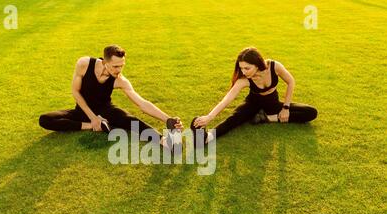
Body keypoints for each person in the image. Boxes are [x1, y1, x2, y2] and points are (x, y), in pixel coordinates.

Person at [39, 44, 182, 147]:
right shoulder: (84, 64)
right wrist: (93, 119)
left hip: (106, 110)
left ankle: (163, 141)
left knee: (130, 120)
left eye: (122, 65)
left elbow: (142, 103)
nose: (119, 70)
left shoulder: (120, 80)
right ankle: (94, 126)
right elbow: (75, 92)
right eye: (115, 66)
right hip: (82, 111)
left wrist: (168, 119)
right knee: (45, 119)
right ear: (104, 62)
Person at [191, 47, 317, 145]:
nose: (244, 72)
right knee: (234, 119)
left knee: (311, 112)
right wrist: (209, 117)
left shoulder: (274, 66)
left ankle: (267, 118)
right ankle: (206, 138)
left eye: (247, 68)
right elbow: (227, 99)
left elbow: (291, 82)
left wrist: (286, 108)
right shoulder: (244, 80)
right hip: (253, 103)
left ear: (257, 64)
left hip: (273, 104)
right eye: (242, 68)